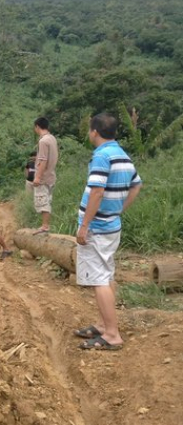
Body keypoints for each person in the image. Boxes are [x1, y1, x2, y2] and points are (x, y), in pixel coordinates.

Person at [74, 112, 142, 351]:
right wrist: (119, 209)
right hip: (111, 225)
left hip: (98, 228)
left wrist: (85, 226)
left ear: (94, 131)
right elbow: (137, 184)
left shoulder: (102, 156)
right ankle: (104, 325)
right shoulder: (122, 155)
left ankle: (112, 334)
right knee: (106, 274)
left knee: (99, 279)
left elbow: (97, 192)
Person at [31, 117, 58, 235]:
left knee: (43, 201)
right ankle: (45, 224)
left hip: (44, 177)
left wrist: (37, 177)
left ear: (37, 126)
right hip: (51, 175)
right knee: (47, 199)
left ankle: (45, 226)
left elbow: (43, 160)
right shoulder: (52, 138)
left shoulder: (43, 141)